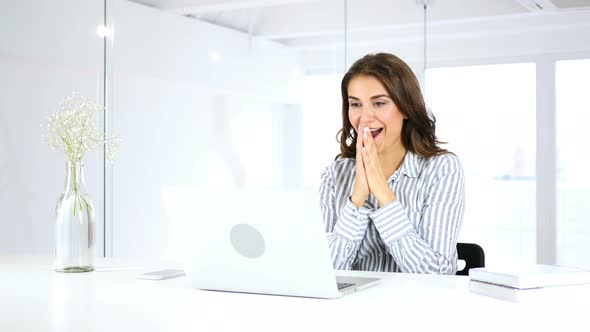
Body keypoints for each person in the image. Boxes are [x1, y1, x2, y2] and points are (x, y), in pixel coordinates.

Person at [319, 53, 464, 274]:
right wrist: (357, 198)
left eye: (379, 103)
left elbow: (437, 273)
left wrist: (383, 194)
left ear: (405, 107)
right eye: (355, 104)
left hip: (416, 305)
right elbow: (324, 272)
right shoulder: (335, 174)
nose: (365, 117)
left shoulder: (442, 168)